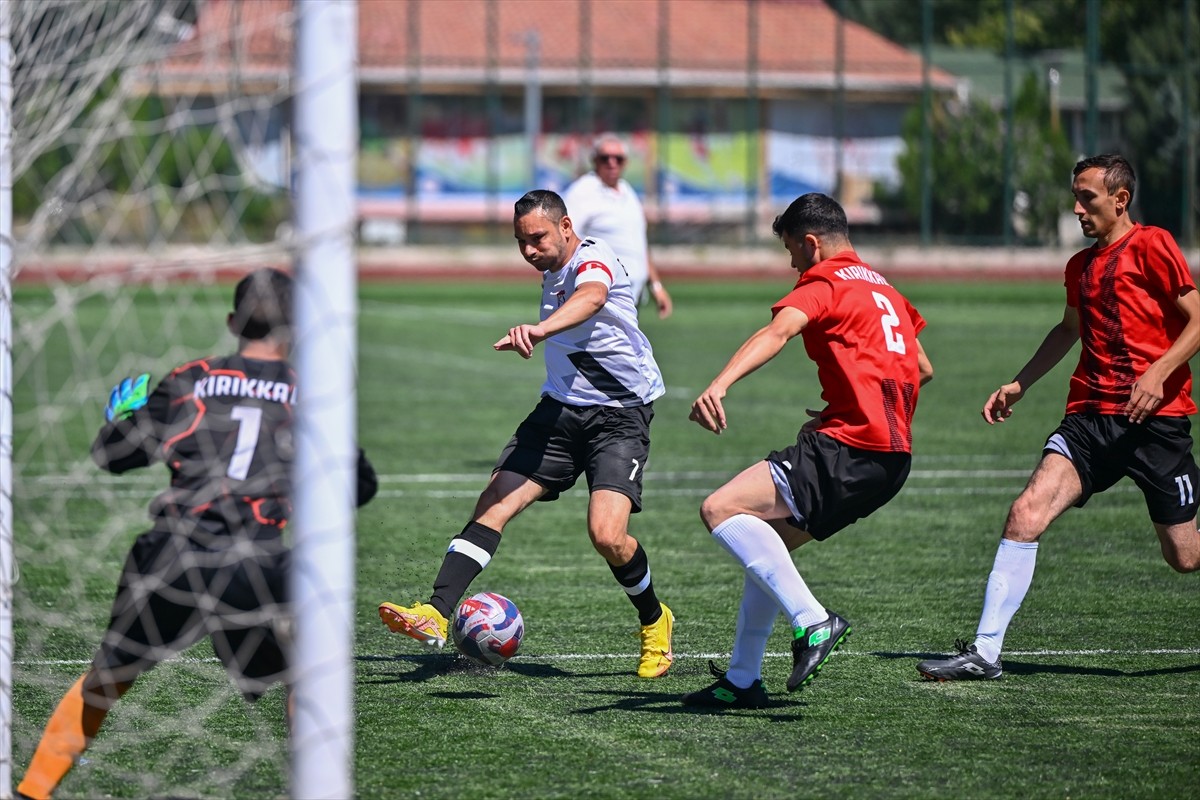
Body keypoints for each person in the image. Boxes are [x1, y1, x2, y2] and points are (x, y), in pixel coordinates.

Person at [17, 269, 378, 800]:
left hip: (170, 555)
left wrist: (123, 416)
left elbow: (112, 456)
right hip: (255, 563)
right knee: (307, 673)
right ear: (296, 327)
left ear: (233, 322)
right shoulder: (310, 394)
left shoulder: (191, 378)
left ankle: (30, 791)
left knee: (107, 679)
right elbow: (361, 487)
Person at [917, 154, 1200, 681]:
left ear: (1120, 199)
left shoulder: (1153, 245)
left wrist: (1159, 372)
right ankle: (985, 652)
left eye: (1087, 198)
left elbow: (1197, 319)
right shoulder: (1080, 266)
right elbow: (1069, 329)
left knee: (1184, 558)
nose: (1076, 209)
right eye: (1075, 197)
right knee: (1025, 513)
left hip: (1156, 423)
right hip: (1090, 418)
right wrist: (1020, 383)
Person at [378, 189, 675, 678]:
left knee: (607, 535)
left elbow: (593, 297)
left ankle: (654, 619)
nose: (529, 250)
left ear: (566, 227)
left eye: (537, 238)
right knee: (494, 500)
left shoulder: (594, 258)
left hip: (619, 417)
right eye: (521, 241)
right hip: (559, 412)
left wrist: (539, 331)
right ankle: (435, 611)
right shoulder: (552, 268)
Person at [681, 192, 933, 709]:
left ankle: (813, 621)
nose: (793, 264)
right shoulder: (887, 290)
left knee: (720, 509)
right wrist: (854, 401)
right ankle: (742, 680)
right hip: (891, 461)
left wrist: (720, 384)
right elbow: (922, 368)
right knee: (767, 548)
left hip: (849, 448)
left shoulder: (825, 282)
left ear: (812, 244)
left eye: (792, 251)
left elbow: (778, 332)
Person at [562, 133, 673, 319]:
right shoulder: (583, 191)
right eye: (605, 158)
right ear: (594, 160)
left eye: (618, 159)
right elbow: (563, 237)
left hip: (630, 297)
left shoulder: (627, 191)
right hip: (602, 295)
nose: (612, 163)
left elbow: (638, 244)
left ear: (625, 162)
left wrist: (656, 286)